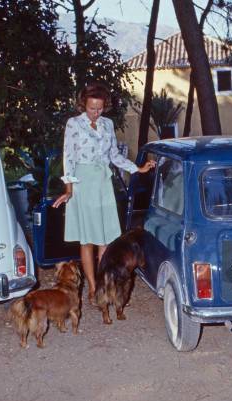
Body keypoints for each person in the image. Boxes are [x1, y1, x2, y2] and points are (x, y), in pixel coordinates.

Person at [52, 83, 155, 304]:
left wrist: (137, 168)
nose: (96, 112)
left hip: (103, 182)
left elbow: (114, 156)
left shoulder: (108, 124)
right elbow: (68, 156)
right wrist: (69, 188)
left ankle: (103, 284)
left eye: (99, 108)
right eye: (91, 108)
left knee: (106, 239)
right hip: (83, 182)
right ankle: (92, 286)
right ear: (84, 105)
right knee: (88, 239)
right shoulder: (74, 124)